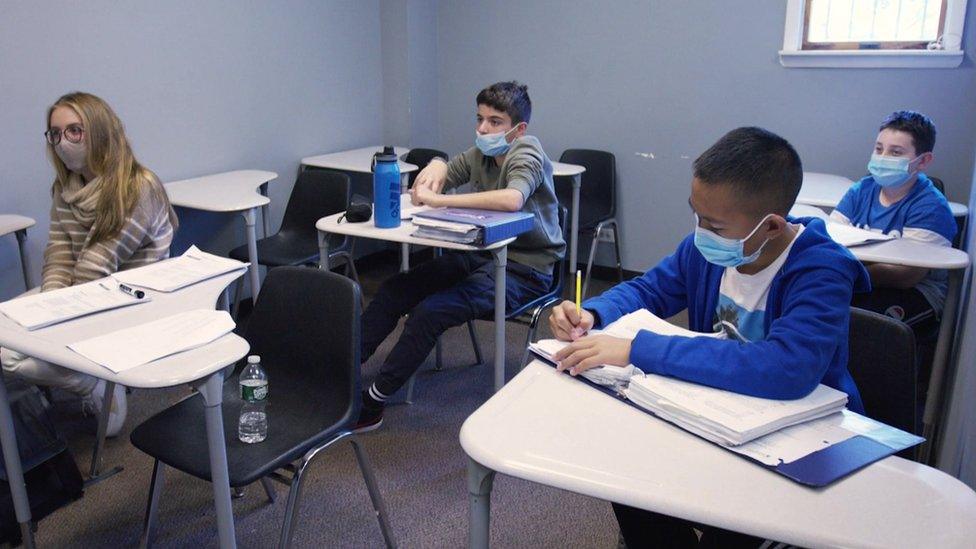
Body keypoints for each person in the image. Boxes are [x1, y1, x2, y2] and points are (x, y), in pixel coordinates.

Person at [549, 127, 869, 547]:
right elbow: (649, 289)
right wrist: (594, 312)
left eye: (713, 223)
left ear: (771, 226)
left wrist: (635, 348)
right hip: (721, 413)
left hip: (796, 439)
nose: (700, 230)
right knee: (626, 479)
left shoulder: (821, 270)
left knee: (735, 526)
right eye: (696, 214)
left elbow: (787, 368)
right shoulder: (706, 248)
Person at [356, 81, 565, 431]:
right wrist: (437, 166)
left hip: (526, 269)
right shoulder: (481, 153)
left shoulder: (526, 152)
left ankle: (374, 399)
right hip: (480, 253)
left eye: (495, 122)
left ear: (519, 129)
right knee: (396, 289)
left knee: (430, 312)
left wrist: (441, 200)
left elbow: (512, 199)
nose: (483, 129)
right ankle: (343, 367)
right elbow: (441, 177)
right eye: (480, 119)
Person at [1, 92, 178, 437]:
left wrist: (51, 325)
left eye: (74, 131)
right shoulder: (65, 186)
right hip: (81, 293)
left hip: (131, 301)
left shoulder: (138, 186)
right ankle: (83, 377)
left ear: (98, 131)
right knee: (7, 348)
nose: (62, 142)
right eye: (55, 133)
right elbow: (60, 252)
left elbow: (98, 263)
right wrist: (47, 303)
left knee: (21, 348)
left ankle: (91, 378)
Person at [829, 111, 956, 378]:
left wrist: (852, 274)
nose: (883, 158)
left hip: (917, 293)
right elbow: (830, 242)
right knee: (816, 299)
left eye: (896, 152)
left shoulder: (929, 206)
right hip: (862, 279)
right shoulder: (861, 190)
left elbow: (907, 275)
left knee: (858, 325)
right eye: (879, 149)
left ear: (923, 161)